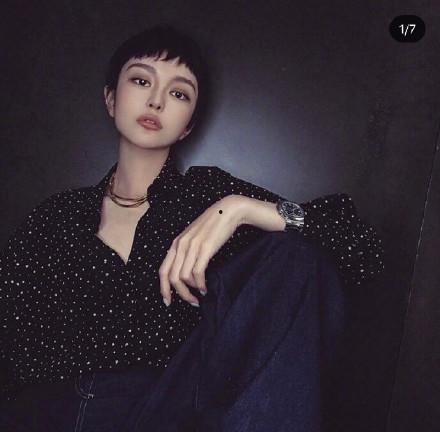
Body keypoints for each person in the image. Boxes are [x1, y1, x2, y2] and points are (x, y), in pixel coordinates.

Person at [0, 24, 384, 431]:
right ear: (111, 99)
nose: (156, 100)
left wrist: (239, 209)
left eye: (179, 93)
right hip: (49, 410)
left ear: (187, 125)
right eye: (141, 80)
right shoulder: (55, 215)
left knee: (294, 253)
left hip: (165, 409)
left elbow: (362, 250)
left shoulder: (206, 195)